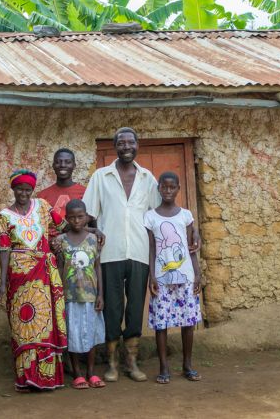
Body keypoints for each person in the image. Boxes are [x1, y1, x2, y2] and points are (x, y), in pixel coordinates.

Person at [83, 127, 200, 383]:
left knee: (135, 307)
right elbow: (89, 215)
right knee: (113, 308)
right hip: (109, 253)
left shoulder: (148, 179)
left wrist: (192, 231)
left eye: (131, 142)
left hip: (140, 254)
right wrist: (94, 231)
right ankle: (112, 363)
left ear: (138, 146)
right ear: (115, 146)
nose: (126, 146)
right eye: (121, 143)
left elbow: (163, 213)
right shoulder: (101, 177)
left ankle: (132, 362)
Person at [0, 169, 67, 393]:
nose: (24, 193)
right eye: (19, 189)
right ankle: (26, 378)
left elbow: (64, 227)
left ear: (32, 190)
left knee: (43, 324)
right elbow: (4, 249)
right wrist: (2, 280)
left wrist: (60, 242)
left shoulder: (43, 206)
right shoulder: (4, 216)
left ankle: (46, 378)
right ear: (13, 190)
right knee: (23, 325)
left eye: (27, 190)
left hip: (44, 275)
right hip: (18, 278)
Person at [146, 171, 202, 384]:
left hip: (186, 276)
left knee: (188, 321)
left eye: (172, 187)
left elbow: (191, 247)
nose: (168, 191)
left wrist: (197, 273)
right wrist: (151, 275)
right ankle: (164, 367)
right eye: (164, 187)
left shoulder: (186, 215)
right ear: (158, 188)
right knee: (162, 323)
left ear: (178, 188)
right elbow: (151, 248)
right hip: (161, 278)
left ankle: (187, 365)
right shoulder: (150, 216)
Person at [55, 199, 106, 390]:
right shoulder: (60, 241)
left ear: (87, 218)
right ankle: (77, 373)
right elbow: (59, 268)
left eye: (80, 216)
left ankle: (91, 372)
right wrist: (58, 294)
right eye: (72, 217)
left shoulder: (94, 239)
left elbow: (97, 267)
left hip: (91, 296)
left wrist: (101, 294)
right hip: (70, 297)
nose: (76, 220)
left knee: (91, 334)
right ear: (66, 218)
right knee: (72, 334)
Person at [37, 148, 86, 219]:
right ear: (53, 165)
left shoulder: (85, 193)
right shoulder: (42, 196)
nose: (63, 165)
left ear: (74, 166)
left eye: (68, 162)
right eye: (58, 162)